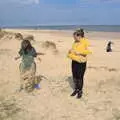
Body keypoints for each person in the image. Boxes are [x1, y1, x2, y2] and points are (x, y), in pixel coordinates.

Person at [68, 29, 91, 99]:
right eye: (74, 37)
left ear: (79, 36)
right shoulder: (75, 42)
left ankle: (80, 91)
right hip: (74, 61)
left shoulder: (85, 42)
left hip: (81, 62)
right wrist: (70, 51)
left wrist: (79, 52)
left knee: (79, 77)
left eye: (75, 37)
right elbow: (73, 49)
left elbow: (88, 52)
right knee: (74, 76)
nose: (74, 38)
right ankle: (76, 89)